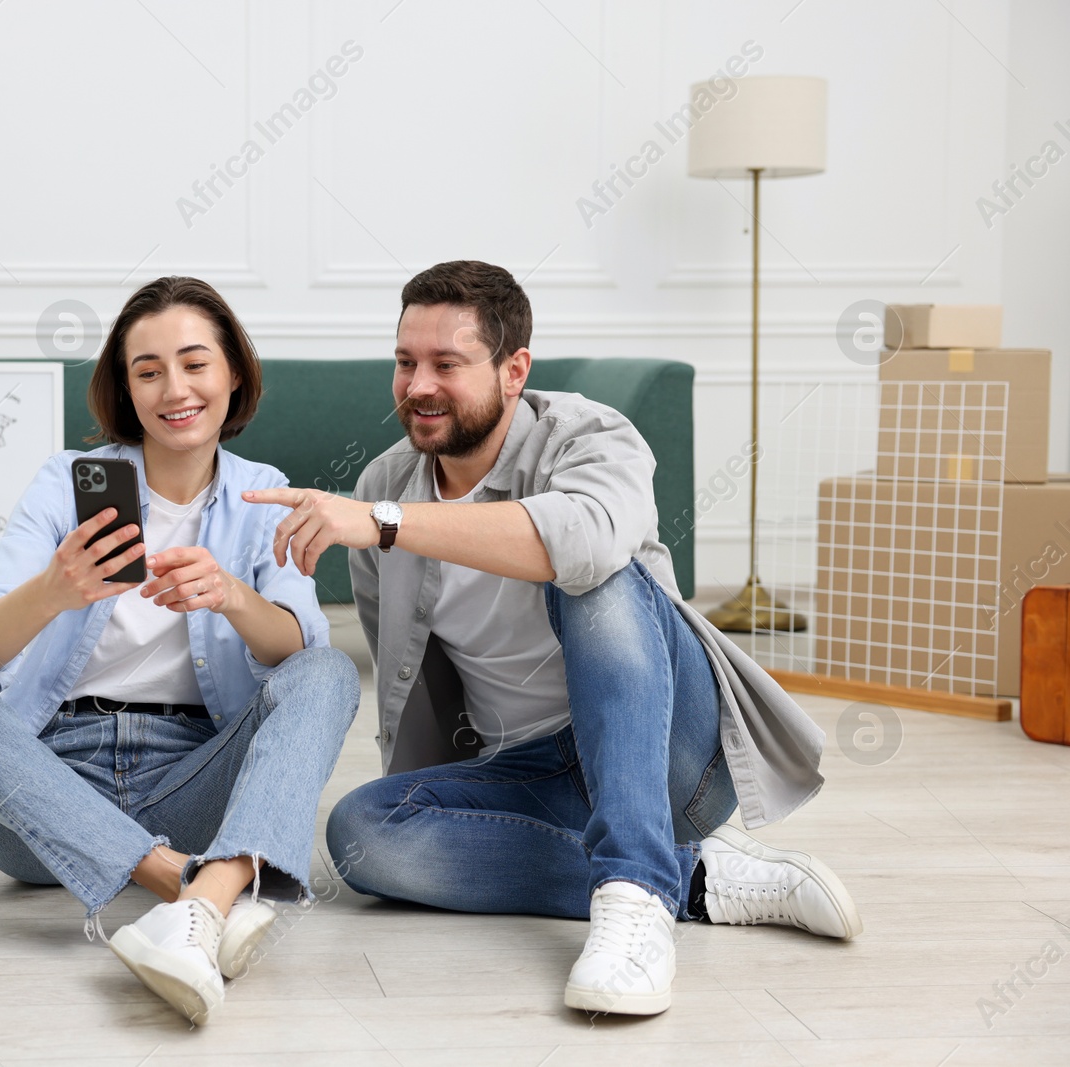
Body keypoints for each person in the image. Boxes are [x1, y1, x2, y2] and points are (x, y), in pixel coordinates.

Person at [243, 260, 860, 1016]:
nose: (418, 385)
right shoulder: (383, 483)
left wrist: (386, 526)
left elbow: (589, 537)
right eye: (405, 362)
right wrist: (436, 809)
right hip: (532, 773)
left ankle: (635, 893)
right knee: (362, 831)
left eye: (447, 363)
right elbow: (407, 671)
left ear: (514, 369)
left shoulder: (590, 435)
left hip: (668, 752)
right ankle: (698, 880)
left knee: (593, 574)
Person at [0, 276, 359, 1026]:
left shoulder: (263, 491)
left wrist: (232, 596)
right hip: (47, 791)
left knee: (329, 668)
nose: (174, 388)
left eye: (194, 363)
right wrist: (54, 590)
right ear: (126, 388)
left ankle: (200, 892)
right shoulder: (62, 485)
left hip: (191, 781)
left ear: (233, 372)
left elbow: (295, 652)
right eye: (148, 370)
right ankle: (195, 889)